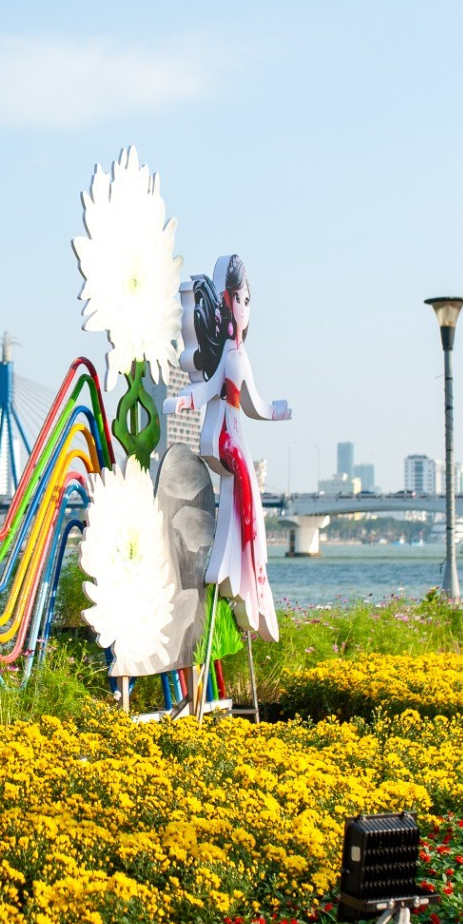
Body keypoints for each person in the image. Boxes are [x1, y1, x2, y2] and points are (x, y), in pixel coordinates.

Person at [167, 255, 291, 642]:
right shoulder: (228, 355)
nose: (245, 307)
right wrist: (186, 399)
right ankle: (247, 576)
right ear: (226, 300)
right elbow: (209, 388)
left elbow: (254, 403)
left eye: (248, 300)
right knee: (248, 500)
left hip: (237, 437)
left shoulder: (240, 354)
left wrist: (278, 411)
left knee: (247, 504)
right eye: (240, 299)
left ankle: (243, 577)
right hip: (224, 439)